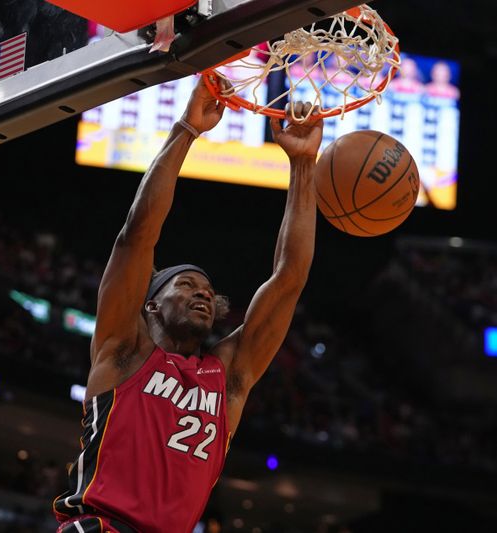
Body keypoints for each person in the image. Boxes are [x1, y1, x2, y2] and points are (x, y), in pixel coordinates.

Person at [52, 77, 323, 533]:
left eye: (207, 290)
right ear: (151, 306)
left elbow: (289, 278)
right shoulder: (123, 350)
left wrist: (302, 165)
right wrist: (187, 129)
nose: (202, 292)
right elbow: (136, 235)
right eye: (185, 284)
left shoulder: (229, 378)